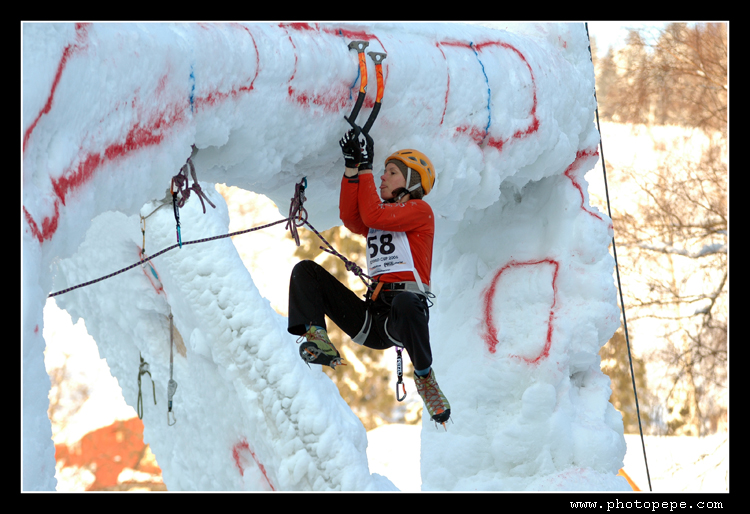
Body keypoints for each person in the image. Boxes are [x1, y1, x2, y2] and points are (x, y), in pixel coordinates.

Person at [287, 129, 451, 424]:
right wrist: (352, 168)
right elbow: (352, 217)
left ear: (411, 183)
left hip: (402, 317)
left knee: (404, 302)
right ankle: (317, 336)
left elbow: (373, 215)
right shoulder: (382, 217)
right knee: (305, 272)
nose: (383, 177)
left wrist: (365, 167)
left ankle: (425, 377)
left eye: (391, 173)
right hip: (371, 318)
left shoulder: (420, 211)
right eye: (383, 172)